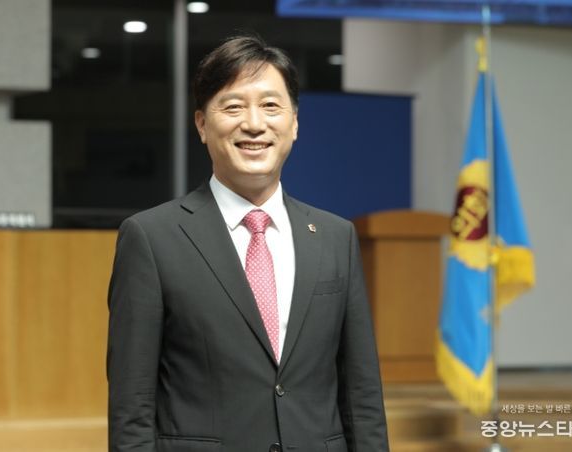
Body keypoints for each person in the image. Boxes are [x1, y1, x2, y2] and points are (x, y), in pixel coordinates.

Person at [107, 34, 389, 452]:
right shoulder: (151, 238)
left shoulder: (336, 237)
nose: (254, 124)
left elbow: (361, 394)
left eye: (271, 106)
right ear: (202, 124)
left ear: (295, 123)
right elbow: (132, 405)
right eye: (234, 106)